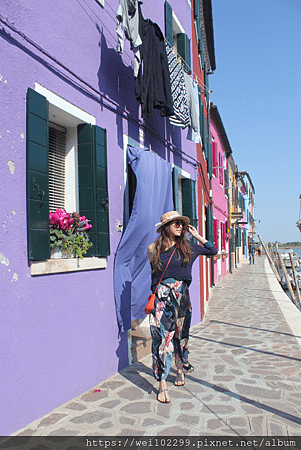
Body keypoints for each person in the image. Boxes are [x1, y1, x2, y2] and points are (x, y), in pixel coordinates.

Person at [147, 211, 218, 403]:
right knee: (161, 339)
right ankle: (162, 382)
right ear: (164, 228)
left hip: (182, 298)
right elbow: (154, 276)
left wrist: (196, 236)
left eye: (181, 223)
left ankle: (179, 370)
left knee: (181, 336)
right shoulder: (153, 249)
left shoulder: (189, 248)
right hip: (161, 298)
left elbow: (213, 251)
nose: (179, 226)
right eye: (175, 223)